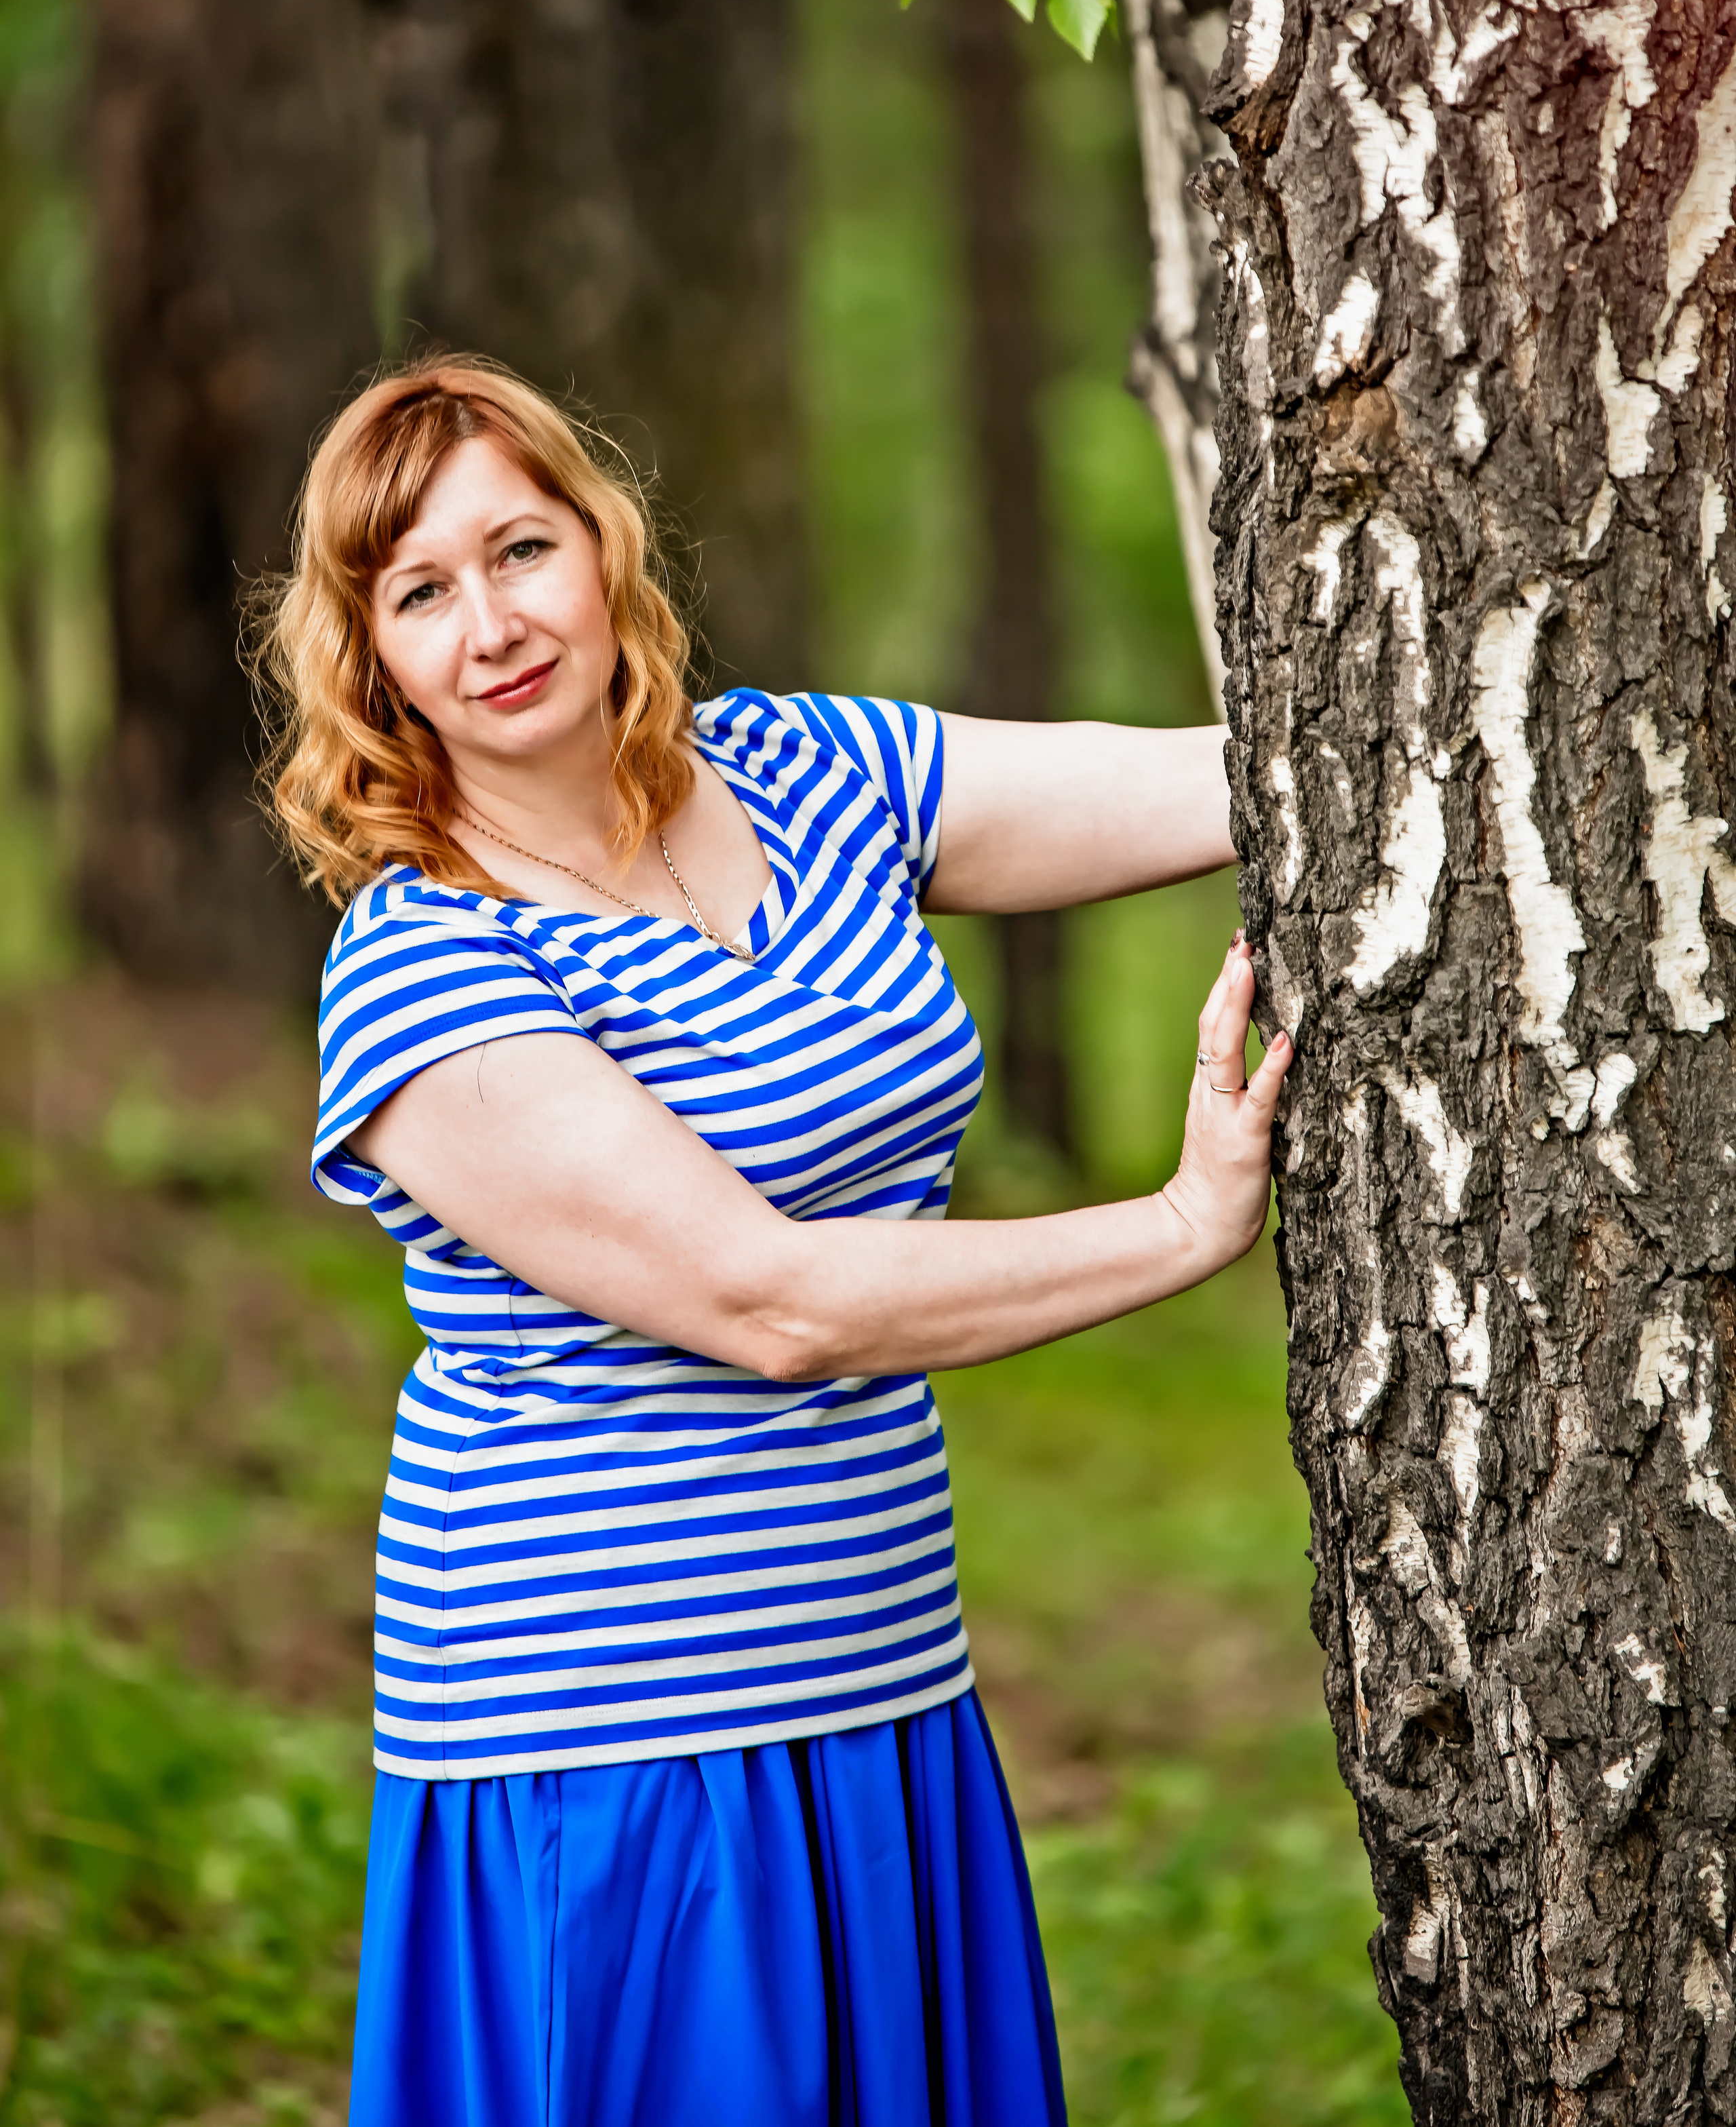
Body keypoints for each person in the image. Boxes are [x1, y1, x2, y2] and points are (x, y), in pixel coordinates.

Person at [258, 355, 1292, 2127]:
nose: (492, 620)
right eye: (420, 591)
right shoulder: (427, 969)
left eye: (522, 548)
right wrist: (1185, 1222)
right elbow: (778, 1300)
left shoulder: (807, 770)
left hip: (881, 1687)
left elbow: (1235, 783)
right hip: (618, 1746)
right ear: (370, 661)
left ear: (605, 545)